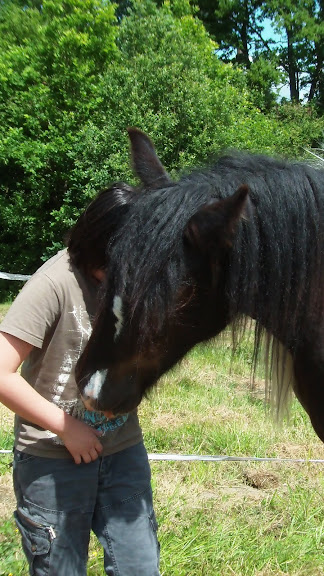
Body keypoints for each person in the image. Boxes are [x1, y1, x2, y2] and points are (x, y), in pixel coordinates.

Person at [0, 184, 160, 576]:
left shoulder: (135, 282)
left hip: (122, 453)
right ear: (96, 244)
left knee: (139, 567)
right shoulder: (53, 283)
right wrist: (66, 427)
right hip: (53, 460)